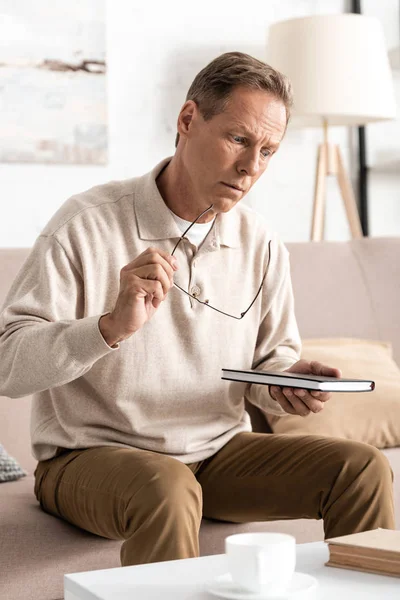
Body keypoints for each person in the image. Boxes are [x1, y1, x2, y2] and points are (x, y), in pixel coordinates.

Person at [0, 51, 394, 567]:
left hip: (218, 454)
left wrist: (285, 384)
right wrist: (108, 328)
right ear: (188, 120)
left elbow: (270, 363)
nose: (252, 167)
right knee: (167, 485)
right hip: (87, 459)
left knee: (361, 468)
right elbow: (9, 365)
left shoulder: (262, 242)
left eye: (269, 151)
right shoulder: (85, 224)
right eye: (239, 139)